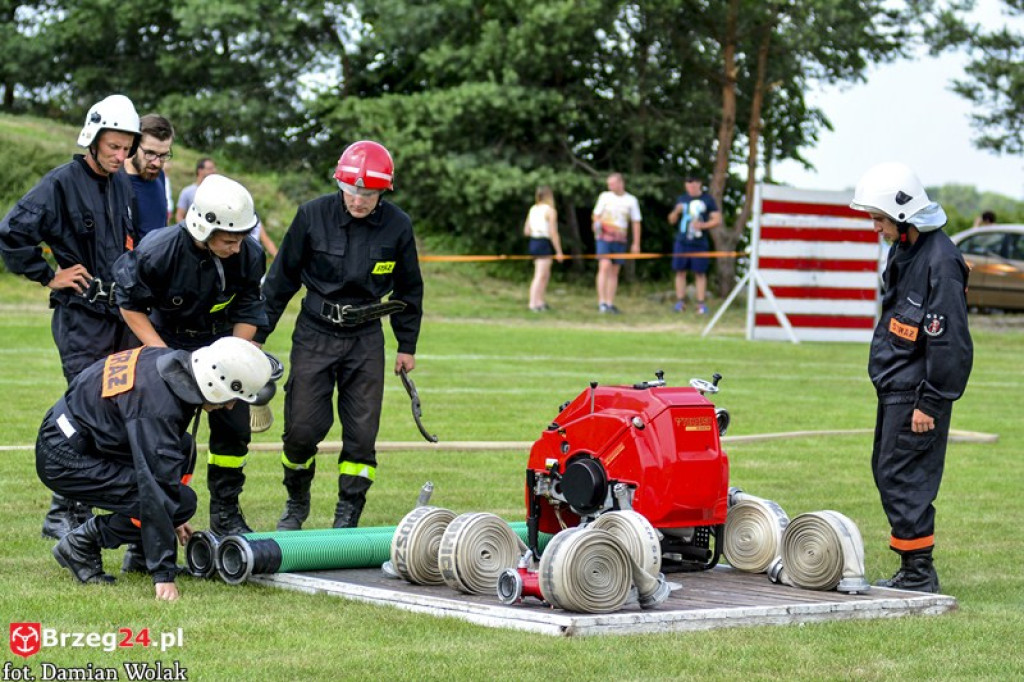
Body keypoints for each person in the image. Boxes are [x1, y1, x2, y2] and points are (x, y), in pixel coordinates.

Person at [256, 140, 424, 531]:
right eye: (351, 191)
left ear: (383, 192)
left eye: (368, 194)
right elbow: (281, 279)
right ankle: (296, 501)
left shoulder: (398, 225)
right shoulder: (311, 215)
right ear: (340, 184)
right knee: (301, 430)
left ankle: (348, 512)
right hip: (314, 333)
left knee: (362, 435)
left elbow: (409, 288)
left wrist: (407, 345)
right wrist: (257, 335)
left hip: (366, 338)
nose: (358, 200)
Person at [0, 93, 142, 541]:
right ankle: (63, 511)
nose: (120, 156)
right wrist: (49, 275)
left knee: (117, 409)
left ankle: (91, 504)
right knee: (86, 410)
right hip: (80, 318)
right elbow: (11, 233)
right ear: (93, 139)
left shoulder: (122, 185)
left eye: (127, 148)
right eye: (113, 146)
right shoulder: (60, 183)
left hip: (119, 317)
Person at [35, 337, 274, 601]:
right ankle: (82, 543)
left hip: (77, 436)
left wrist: (171, 516)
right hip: (65, 459)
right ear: (214, 384)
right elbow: (156, 490)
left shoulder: (171, 364)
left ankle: (139, 556)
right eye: (231, 399)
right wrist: (164, 575)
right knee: (179, 503)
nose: (230, 406)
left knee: (182, 449)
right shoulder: (157, 407)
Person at [114, 174, 269, 536]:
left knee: (234, 430)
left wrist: (236, 359)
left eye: (242, 238)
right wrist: (165, 360)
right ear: (204, 227)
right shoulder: (158, 250)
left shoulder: (249, 254)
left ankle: (226, 513)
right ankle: (146, 525)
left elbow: (249, 309)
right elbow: (130, 305)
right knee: (164, 437)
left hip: (220, 342)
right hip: (164, 341)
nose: (237, 248)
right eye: (229, 240)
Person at [849, 161, 973, 593]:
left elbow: (951, 341)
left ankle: (919, 573)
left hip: (918, 393)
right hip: (896, 386)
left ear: (902, 216)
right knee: (889, 472)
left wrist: (931, 402)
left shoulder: (941, 260)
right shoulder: (905, 250)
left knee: (906, 477)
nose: (876, 228)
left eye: (879, 219)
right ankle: (912, 567)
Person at [667, 174, 721, 315]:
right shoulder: (682, 199)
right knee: (680, 271)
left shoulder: (708, 200)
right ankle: (680, 303)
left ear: (699, 184)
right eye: (688, 183)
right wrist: (676, 211)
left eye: (693, 183)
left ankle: (700, 304)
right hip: (682, 241)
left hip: (699, 242)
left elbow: (717, 219)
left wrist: (703, 226)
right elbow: (671, 220)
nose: (691, 186)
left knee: (700, 273)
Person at [592, 172, 641, 314]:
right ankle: (601, 302)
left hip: (620, 239)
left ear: (621, 183)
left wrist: (636, 243)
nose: (610, 186)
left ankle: (609, 302)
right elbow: (596, 215)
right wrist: (597, 225)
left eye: (612, 184)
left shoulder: (631, 200)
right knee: (604, 266)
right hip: (604, 238)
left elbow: (636, 222)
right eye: (609, 184)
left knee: (614, 271)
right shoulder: (604, 197)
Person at [124, 114, 174, 241]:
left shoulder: (159, 175)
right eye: (150, 153)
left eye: (163, 155)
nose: (156, 163)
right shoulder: (114, 182)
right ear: (133, 145)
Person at [523, 185, 563, 312]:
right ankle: (533, 303)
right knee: (540, 275)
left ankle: (540, 301)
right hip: (543, 242)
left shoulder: (533, 209)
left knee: (545, 274)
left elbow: (526, 230)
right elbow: (553, 232)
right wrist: (559, 251)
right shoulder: (550, 211)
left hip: (534, 241)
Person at [175, 157, 217, 222]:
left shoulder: (217, 192)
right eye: (210, 169)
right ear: (200, 171)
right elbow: (179, 216)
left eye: (214, 168)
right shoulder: (187, 192)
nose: (214, 171)